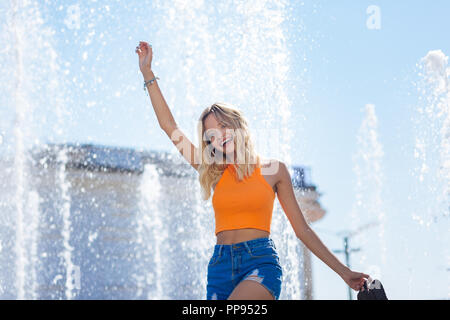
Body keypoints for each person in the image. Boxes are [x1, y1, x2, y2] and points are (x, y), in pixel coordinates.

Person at [135, 41, 370, 300]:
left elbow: (302, 229)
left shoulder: (274, 170)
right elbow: (169, 126)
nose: (220, 136)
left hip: (259, 263)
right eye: (211, 135)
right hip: (220, 267)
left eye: (224, 127)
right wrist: (148, 73)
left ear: (237, 126)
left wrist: (343, 272)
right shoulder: (213, 171)